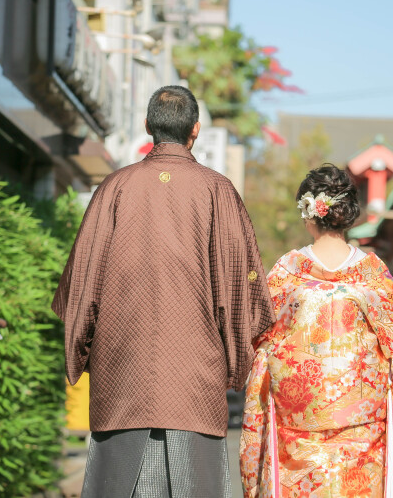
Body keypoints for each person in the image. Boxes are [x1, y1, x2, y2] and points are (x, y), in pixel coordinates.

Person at [52, 85, 275, 498]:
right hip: (195, 378)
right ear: (195, 129)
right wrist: (234, 365)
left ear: (148, 127)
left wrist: (81, 354)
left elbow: (82, 283)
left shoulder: (114, 188)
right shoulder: (216, 190)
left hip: (122, 375)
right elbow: (238, 290)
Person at [240, 164, 393, 497]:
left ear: (308, 214)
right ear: (348, 215)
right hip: (362, 426)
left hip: (297, 425)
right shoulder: (372, 273)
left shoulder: (287, 271)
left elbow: (259, 333)